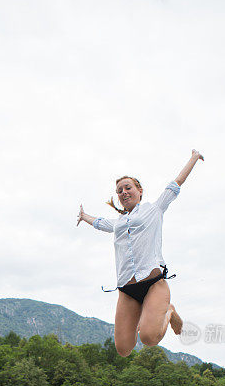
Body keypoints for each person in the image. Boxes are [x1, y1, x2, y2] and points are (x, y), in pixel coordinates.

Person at [76, 149, 204, 357]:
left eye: (128, 187)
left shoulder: (154, 210)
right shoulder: (117, 224)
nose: (123, 192)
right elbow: (99, 223)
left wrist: (193, 158)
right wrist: (83, 216)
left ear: (140, 190)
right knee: (124, 349)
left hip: (153, 283)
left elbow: (176, 184)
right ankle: (155, 312)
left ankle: (169, 310)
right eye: (119, 191)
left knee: (148, 338)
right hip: (127, 289)